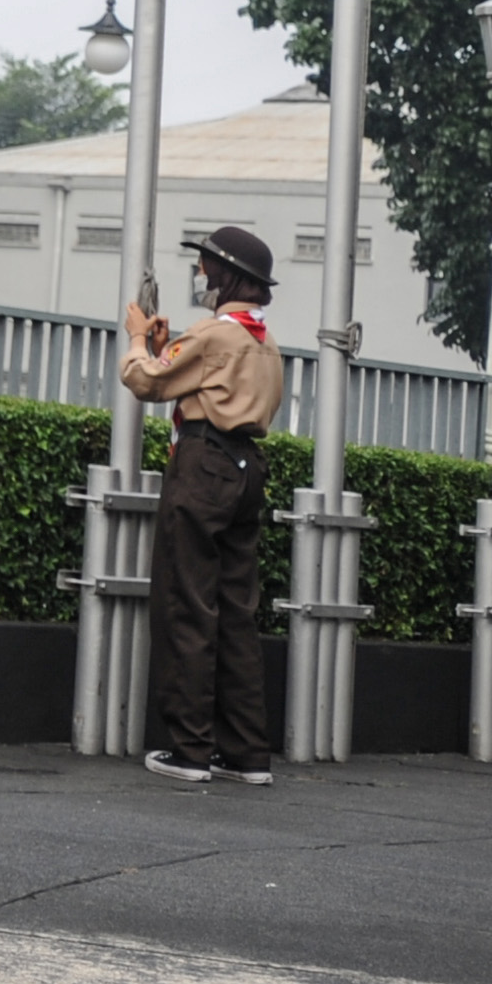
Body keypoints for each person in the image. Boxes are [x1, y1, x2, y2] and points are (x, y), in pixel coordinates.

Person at [126, 222, 285, 785]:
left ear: (227, 275)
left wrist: (138, 340)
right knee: (236, 612)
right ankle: (246, 753)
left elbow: (147, 382)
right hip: (247, 469)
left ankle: (190, 750)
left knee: (187, 603)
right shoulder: (265, 342)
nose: (200, 273)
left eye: (206, 265)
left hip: (203, 465)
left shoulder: (215, 333)